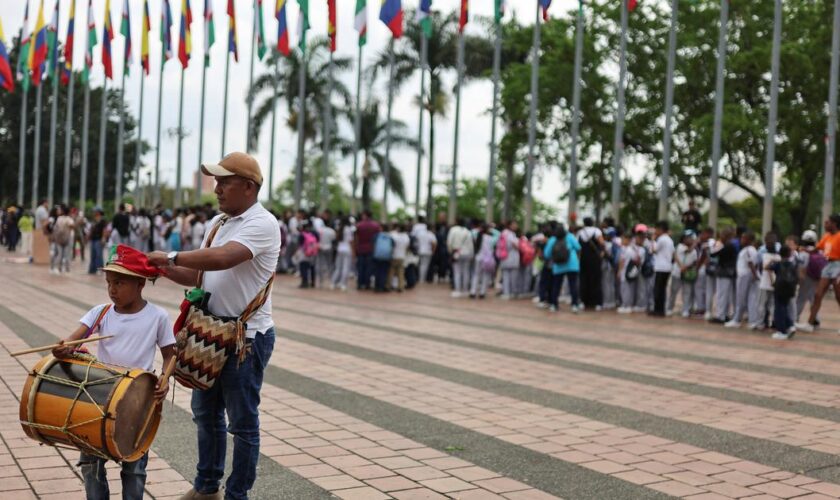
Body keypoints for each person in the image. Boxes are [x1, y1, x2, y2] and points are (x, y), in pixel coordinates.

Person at [147, 152, 281, 500]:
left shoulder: (262, 223)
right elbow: (202, 274)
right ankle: (207, 488)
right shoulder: (219, 223)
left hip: (244, 339)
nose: (216, 187)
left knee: (242, 424)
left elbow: (225, 258)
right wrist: (159, 268)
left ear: (249, 187)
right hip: (209, 333)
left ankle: (237, 494)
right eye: (216, 180)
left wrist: (172, 256)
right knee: (205, 415)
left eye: (225, 181)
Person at [52, 245, 175, 500]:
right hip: (100, 396)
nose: (112, 289)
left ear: (140, 283)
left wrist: (164, 379)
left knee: (135, 468)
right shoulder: (101, 312)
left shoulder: (157, 317)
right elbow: (72, 341)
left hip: (138, 401)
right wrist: (62, 349)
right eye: (109, 282)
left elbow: (170, 355)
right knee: (91, 464)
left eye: (119, 282)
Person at [800, 214, 840, 332]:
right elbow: (817, 249)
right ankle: (810, 324)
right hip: (828, 265)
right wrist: (804, 250)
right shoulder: (827, 236)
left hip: (838, 265)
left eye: (827, 222)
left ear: (834, 224)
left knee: (838, 296)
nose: (825, 224)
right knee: (818, 295)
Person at [544, 223, 582, 313]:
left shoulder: (552, 239)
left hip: (558, 265)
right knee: (573, 285)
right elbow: (578, 247)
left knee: (556, 285)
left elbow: (547, 254)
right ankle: (574, 305)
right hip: (572, 264)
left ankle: (554, 305)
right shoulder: (570, 236)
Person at [726, 232, 759, 328]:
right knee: (750, 298)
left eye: (744, 238)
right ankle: (752, 320)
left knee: (740, 298)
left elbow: (751, 264)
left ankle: (737, 319)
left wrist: (754, 275)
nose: (741, 240)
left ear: (750, 240)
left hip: (744, 275)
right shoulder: (749, 250)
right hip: (746, 275)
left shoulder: (749, 250)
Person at [749, 232, 780, 330]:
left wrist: (756, 275)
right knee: (772, 305)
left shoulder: (764, 254)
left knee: (761, 305)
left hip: (765, 283)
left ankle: (760, 323)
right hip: (774, 284)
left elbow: (758, 265)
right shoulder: (778, 256)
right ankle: (774, 322)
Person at [795, 230, 823, 328]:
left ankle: (795, 317)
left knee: (801, 298)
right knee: (813, 299)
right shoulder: (819, 251)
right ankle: (816, 318)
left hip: (806, 277)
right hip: (817, 278)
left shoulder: (803, 253)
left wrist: (800, 279)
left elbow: (801, 267)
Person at [769, 245, 797, 340]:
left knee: (779, 310)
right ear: (789, 254)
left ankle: (782, 331)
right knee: (785, 308)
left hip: (779, 288)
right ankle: (790, 325)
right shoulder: (792, 264)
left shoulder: (778, 264)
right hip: (789, 289)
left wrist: (772, 260)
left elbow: (766, 267)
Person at [617, 226, 648, 313]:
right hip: (632, 272)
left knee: (625, 289)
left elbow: (622, 261)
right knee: (630, 289)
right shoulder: (640, 250)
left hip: (626, 271)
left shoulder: (628, 249)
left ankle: (626, 305)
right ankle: (628, 305)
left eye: (623, 239)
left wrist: (619, 271)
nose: (622, 241)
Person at [668, 230, 698, 318]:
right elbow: (688, 250)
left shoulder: (694, 251)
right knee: (673, 291)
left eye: (691, 238)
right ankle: (670, 308)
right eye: (687, 238)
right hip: (677, 273)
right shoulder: (680, 246)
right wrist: (682, 267)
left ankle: (685, 310)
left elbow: (694, 262)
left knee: (687, 292)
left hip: (687, 275)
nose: (689, 240)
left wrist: (686, 267)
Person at [711, 228, 738, 323]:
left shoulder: (728, 245)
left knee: (722, 294)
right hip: (728, 272)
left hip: (724, 272)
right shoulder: (731, 245)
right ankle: (725, 314)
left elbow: (713, 254)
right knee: (725, 294)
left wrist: (717, 245)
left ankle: (720, 315)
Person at [577, 218, 604, 310]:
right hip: (595, 260)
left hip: (583, 260)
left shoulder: (580, 232)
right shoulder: (597, 231)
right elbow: (602, 243)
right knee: (596, 280)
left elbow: (578, 248)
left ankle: (583, 301)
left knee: (584, 280)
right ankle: (597, 303)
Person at [651, 221, 674, 317]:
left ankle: (657, 310)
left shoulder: (661, 239)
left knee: (658, 289)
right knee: (662, 290)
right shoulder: (670, 239)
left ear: (660, 229)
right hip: (667, 267)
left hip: (661, 267)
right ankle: (661, 309)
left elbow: (654, 250)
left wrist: (653, 240)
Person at [354, 211, 381, 290]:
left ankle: (360, 283)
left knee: (360, 267)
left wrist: (355, 248)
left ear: (365, 215)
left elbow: (356, 238)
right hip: (371, 249)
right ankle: (367, 284)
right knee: (369, 268)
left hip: (360, 249)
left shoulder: (359, 225)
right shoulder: (376, 225)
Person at [447, 218, 474, 297]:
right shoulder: (468, 232)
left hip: (457, 252)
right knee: (466, 272)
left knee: (457, 272)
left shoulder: (453, 230)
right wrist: (471, 255)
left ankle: (458, 290)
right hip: (467, 253)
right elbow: (471, 245)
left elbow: (449, 242)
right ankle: (465, 290)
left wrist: (450, 252)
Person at [470, 223, 496, 299]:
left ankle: (473, 291)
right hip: (487, 259)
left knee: (476, 275)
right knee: (486, 276)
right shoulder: (490, 238)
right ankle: (482, 292)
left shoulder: (478, 236)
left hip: (479, 257)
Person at [498, 221, 521, 299]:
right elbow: (516, 246)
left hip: (504, 257)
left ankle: (506, 292)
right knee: (512, 276)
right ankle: (511, 292)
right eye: (514, 224)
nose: (516, 226)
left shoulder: (503, 233)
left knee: (506, 276)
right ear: (510, 225)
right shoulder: (511, 234)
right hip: (512, 257)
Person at [331, 217, 355, 291]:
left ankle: (333, 282)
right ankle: (343, 283)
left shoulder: (339, 229)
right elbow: (351, 241)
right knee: (346, 267)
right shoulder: (349, 229)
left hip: (340, 249)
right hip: (347, 249)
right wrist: (353, 251)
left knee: (338, 267)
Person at [51, 205, 75, 275]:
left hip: (59, 238)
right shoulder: (69, 219)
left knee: (59, 254)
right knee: (67, 254)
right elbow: (72, 226)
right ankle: (67, 269)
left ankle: (59, 268)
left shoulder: (59, 218)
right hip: (68, 238)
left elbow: (56, 228)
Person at [388, 223, 411, 292]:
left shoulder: (394, 236)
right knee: (401, 272)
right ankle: (400, 286)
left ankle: (388, 285)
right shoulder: (406, 237)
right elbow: (407, 247)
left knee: (391, 272)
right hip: (402, 256)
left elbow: (391, 245)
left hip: (394, 255)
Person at [316, 221, 337, 288]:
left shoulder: (320, 230)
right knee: (329, 264)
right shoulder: (332, 231)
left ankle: (320, 281)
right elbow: (333, 239)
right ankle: (331, 280)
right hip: (328, 248)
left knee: (320, 264)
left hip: (320, 247)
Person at [87, 208, 108, 274]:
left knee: (99, 255)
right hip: (93, 239)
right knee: (93, 255)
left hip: (99, 239)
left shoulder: (102, 220)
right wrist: (88, 236)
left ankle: (100, 269)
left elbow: (104, 230)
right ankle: (92, 269)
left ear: (98, 212)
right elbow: (91, 229)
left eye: (95, 212)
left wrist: (103, 238)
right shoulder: (94, 220)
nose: (94, 213)